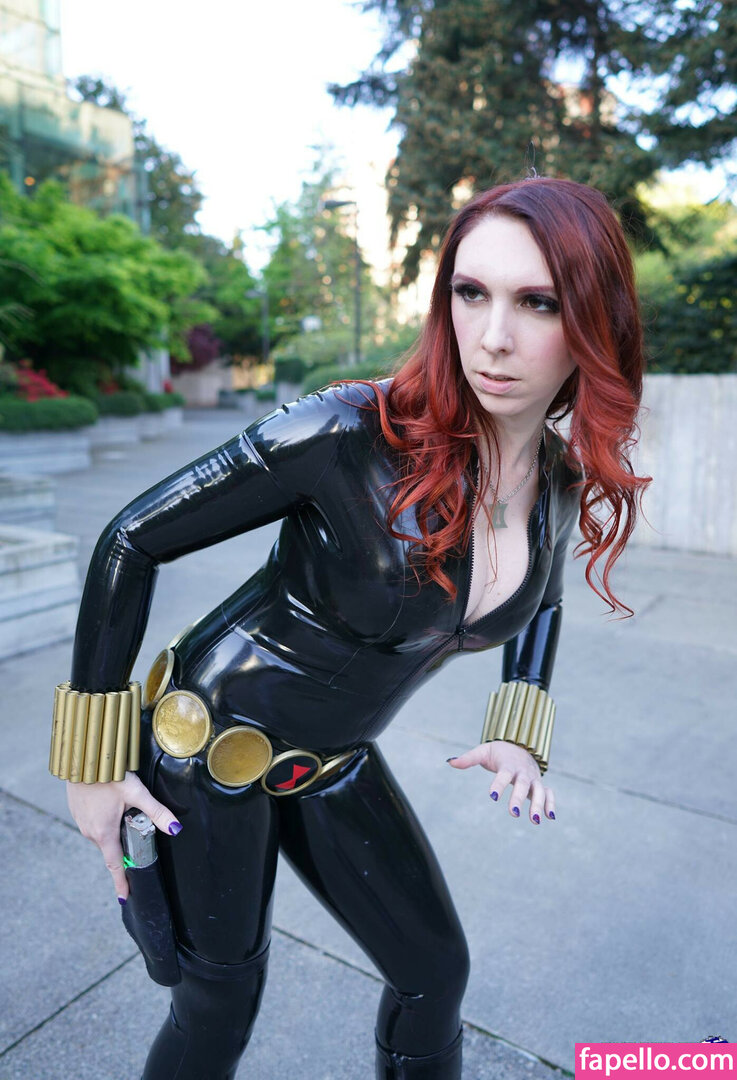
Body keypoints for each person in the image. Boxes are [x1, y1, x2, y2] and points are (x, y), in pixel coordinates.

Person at [51, 177, 650, 1080]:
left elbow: (546, 600)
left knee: (434, 974)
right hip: (202, 750)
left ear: (596, 322)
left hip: (334, 760)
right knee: (217, 1004)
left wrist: (518, 725)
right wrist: (91, 763)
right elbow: (132, 538)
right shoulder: (344, 430)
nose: (492, 336)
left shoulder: (557, 481)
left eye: (538, 303)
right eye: (470, 292)